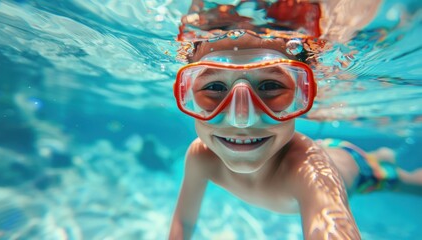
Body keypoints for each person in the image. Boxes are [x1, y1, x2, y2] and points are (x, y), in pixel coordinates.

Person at [169, 2, 422, 240]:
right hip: (324, 150)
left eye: (270, 86)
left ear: (302, 96)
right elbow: (184, 224)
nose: (242, 119)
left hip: (351, 166)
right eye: (214, 87)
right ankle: (383, 155)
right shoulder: (200, 156)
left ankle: (384, 162)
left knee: (402, 181)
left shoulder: (311, 173)